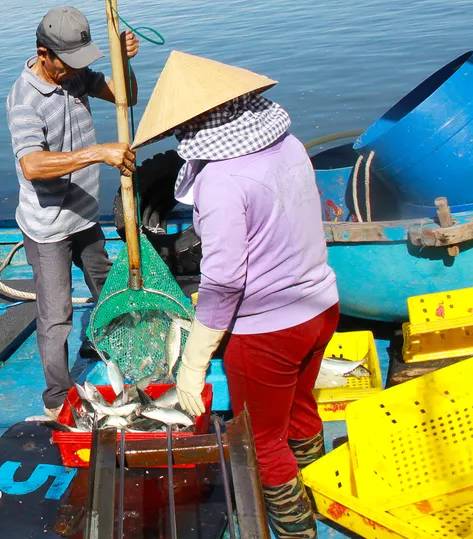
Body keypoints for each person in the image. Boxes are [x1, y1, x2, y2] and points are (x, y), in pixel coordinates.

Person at [132, 51, 339, 539]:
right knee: (301, 409)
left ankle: (294, 530)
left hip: (269, 332)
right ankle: (319, 492)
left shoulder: (221, 181)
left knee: (262, 440)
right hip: (321, 306)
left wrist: (194, 363)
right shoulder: (289, 144)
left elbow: (224, 281)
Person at [6, 6, 139, 419]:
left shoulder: (74, 72)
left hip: (85, 215)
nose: (74, 71)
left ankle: (112, 348)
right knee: (56, 314)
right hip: (48, 226)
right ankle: (57, 397)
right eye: (67, 62)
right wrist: (98, 154)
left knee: (107, 286)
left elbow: (124, 96)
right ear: (43, 53)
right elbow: (32, 164)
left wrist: (124, 62)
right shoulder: (24, 99)